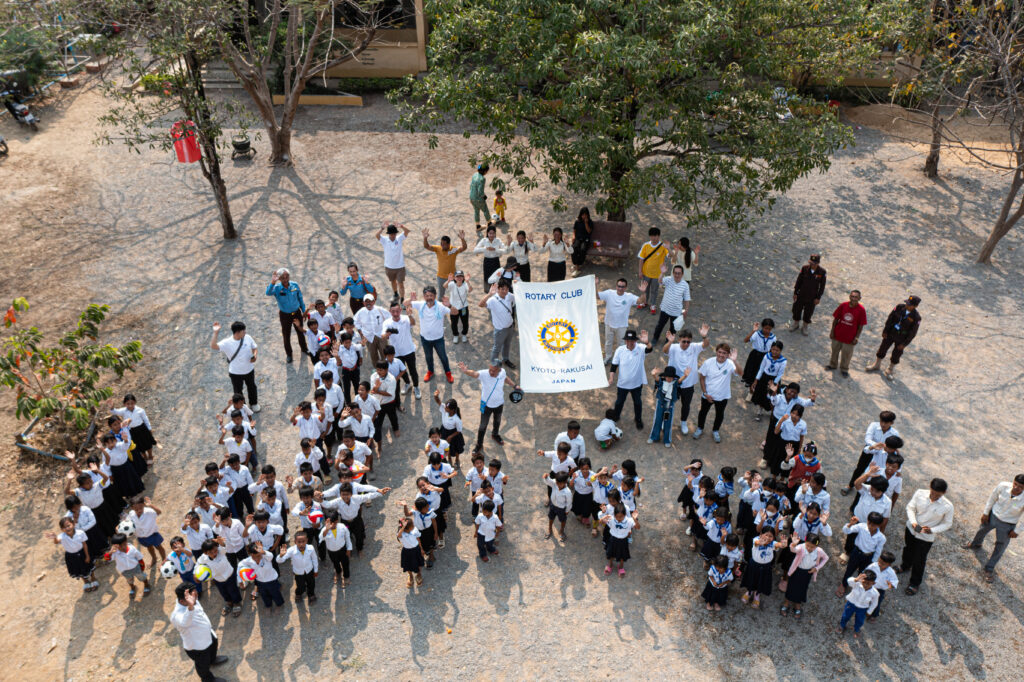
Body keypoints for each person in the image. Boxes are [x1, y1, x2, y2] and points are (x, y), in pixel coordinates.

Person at [962, 474, 1024, 582]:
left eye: (1020, 487)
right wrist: (985, 513)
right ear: (1013, 481)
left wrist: (1017, 531)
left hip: (1008, 524)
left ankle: (989, 568)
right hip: (993, 515)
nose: (1016, 487)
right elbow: (992, 498)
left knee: (1000, 546)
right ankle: (976, 543)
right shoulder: (1003, 486)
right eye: (1015, 484)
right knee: (981, 530)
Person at [899, 478, 953, 595]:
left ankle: (914, 583)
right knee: (908, 548)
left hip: (926, 537)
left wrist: (932, 530)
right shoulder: (919, 493)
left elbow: (948, 523)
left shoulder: (948, 506)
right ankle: (905, 565)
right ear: (930, 487)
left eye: (937, 495)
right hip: (911, 529)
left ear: (944, 493)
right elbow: (910, 507)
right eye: (932, 492)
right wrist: (913, 522)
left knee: (920, 559)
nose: (934, 496)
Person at [170, 584, 229, 682]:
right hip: (197, 646)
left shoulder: (192, 599)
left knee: (213, 647)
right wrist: (190, 607)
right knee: (202, 664)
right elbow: (185, 622)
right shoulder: (177, 615)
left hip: (207, 635)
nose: (196, 596)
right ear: (182, 601)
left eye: (195, 593)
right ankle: (207, 679)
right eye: (193, 595)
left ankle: (212, 660)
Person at [458, 361, 520, 453]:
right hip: (486, 405)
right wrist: (466, 371)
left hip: (499, 403)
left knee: (497, 421)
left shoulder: (502, 372)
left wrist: (514, 386)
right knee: (483, 426)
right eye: (490, 369)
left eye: (494, 371)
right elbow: (475, 374)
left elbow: (505, 378)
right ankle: (479, 445)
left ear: (499, 370)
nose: (491, 372)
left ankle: (495, 435)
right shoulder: (484, 374)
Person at [663, 326, 711, 436]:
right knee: (667, 404)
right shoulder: (673, 347)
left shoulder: (694, 347)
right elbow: (665, 351)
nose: (686, 344)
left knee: (686, 405)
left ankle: (683, 422)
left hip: (688, 384)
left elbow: (706, 344)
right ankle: (665, 421)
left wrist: (704, 336)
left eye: (688, 342)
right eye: (684, 341)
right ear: (679, 339)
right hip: (673, 383)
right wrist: (670, 342)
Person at [840, 412, 899, 496]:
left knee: (875, 472)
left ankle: (866, 489)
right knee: (860, 469)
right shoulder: (874, 425)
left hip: (881, 455)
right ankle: (850, 485)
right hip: (870, 451)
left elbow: (894, 446)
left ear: (891, 423)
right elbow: (867, 439)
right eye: (881, 421)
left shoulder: (895, 433)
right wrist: (874, 446)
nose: (883, 424)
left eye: (886, 422)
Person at [866, 295, 922, 379]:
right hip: (891, 333)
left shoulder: (916, 317)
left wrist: (904, 344)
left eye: (909, 305)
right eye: (907, 303)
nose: (907, 305)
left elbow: (912, 333)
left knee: (896, 354)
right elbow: (890, 318)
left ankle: (890, 370)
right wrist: (885, 331)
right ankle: (877, 365)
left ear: (915, 306)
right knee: (882, 348)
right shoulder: (899, 307)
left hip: (902, 338)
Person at [694, 343, 740, 443]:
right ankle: (700, 428)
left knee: (720, 414)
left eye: (724, 353)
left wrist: (735, 361)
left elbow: (741, 373)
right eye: (719, 352)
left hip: (723, 396)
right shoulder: (708, 362)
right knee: (703, 412)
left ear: (728, 355)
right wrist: (705, 393)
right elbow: (702, 378)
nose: (721, 355)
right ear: (716, 352)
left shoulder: (730, 363)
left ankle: (715, 430)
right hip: (708, 395)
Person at [609, 329, 654, 430]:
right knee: (619, 402)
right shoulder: (620, 350)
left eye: (632, 340)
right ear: (625, 341)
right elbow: (614, 365)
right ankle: (616, 417)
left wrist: (647, 342)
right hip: (622, 384)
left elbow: (649, 349)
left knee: (638, 403)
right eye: (628, 340)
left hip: (636, 384)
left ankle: (638, 419)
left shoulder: (641, 348)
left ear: (635, 341)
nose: (630, 343)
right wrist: (611, 377)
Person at [210, 321, 259, 412]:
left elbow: (254, 348)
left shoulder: (247, 338)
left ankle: (254, 403)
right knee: (238, 391)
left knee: (252, 387)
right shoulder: (227, 343)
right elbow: (213, 346)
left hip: (249, 369)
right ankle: (242, 406)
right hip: (236, 372)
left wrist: (255, 356)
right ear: (237, 332)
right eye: (243, 331)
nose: (245, 332)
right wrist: (215, 333)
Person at [409, 287, 455, 383]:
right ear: (424, 296)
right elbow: (405, 304)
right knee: (428, 357)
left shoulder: (441, 306)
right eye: (427, 296)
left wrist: (449, 305)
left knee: (443, 356)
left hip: (438, 339)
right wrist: (410, 299)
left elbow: (456, 312)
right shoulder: (421, 305)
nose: (429, 298)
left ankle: (448, 372)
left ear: (435, 296)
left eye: (431, 295)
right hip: (425, 339)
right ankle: (430, 371)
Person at [781, 532, 828, 618]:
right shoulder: (801, 547)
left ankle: (797, 604)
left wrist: (817, 568)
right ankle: (786, 602)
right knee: (791, 587)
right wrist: (793, 544)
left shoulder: (819, 551)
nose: (809, 548)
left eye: (812, 547)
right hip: (796, 571)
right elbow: (793, 550)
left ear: (817, 545)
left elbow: (826, 558)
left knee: (802, 588)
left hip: (807, 573)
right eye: (808, 545)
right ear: (805, 542)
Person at [264, 268, 307, 362]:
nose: (285, 279)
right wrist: (272, 282)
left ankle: (304, 349)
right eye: (283, 277)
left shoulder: (294, 285)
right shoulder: (276, 288)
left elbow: (300, 298)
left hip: (296, 313)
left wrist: (304, 311)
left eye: (287, 276)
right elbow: (267, 293)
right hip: (285, 315)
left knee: (300, 332)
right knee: (286, 335)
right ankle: (289, 354)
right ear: (279, 279)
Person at [46, 517, 96, 593]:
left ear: (73, 524)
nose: (67, 528)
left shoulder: (80, 533)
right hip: (71, 556)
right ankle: (85, 581)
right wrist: (55, 537)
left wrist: (87, 556)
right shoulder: (62, 536)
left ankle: (93, 578)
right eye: (64, 527)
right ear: (62, 529)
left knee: (88, 566)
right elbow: (56, 542)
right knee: (78, 569)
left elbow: (85, 544)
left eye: (68, 525)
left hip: (82, 553)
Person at [597, 277, 639, 363]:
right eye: (619, 286)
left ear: (625, 288)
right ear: (616, 286)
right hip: (609, 324)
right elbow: (597, 296)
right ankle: (608, 357)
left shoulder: (629, 297)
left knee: (621, 344)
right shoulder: (609, 293)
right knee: (608, 343)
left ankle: (620, 359)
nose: (620, 288)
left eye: (622, 287)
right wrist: (595, 284)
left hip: (622, 326)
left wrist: (643, 292)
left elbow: (641, 301)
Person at [383, 300, 420, 397]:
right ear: (390, 311)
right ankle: (407, 383)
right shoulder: (387, 322)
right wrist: (386, 335)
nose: (395, 314)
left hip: (409, 350)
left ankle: (416, 386)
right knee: (401, 371)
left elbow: (413, 323)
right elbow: (383, 335)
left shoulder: (405, 318)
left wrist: (410, 315)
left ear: (400, 310)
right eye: (393, 311)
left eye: (397, 311)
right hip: (397, 353)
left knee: (413, 371)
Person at [827, 290, 867, 376]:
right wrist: (832, 331)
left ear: (859, 298)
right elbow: (836, 319)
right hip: (838, 334)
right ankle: (833, 365)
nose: (854, 298)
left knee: (847, 354)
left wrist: (856, 338)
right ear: (849, 297)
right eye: (852, 296)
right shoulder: (843, 305)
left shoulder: (861, 310)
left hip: (850, 338)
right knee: (834, 351)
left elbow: (860, 326)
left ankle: (844, 369)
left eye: (856, 297)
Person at [480, 280, 517, 369]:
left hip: (510, 327)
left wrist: (517, 284)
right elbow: (481, 304)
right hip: (500, 330)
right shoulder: (493, 300)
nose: (505, 291)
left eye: (507, 289)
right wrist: (489, 294)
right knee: (497, 348)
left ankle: (505, 359)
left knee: (507, 345)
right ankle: (494, 364)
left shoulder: (509, 296)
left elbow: (520, 296)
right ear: (498, 289)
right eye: (502, 289)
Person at [651, 264, 692, 343]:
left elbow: (687, 299)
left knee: (673, 329)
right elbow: (659, 281)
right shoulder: (668, 279)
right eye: (675, 273)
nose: (677, 275)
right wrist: (662, 273)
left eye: (679, 273)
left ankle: (668, 342)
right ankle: (655, 338)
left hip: (676, 311)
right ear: (673, 273)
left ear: (682, 274)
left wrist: (686, 310)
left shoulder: (685, 285)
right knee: (660, 326)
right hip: (665, 309)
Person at [648, 366, 688, 446]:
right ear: (664, 376)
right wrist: (653, 375)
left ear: (673, 377)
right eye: (667, 377)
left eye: (671, 377)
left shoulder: (675, 383)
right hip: (660, 404)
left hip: (669, 406)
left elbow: (679, 381)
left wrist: (685, 376)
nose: (669, 379)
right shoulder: (662, 382)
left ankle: (667, 440)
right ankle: (654, 437)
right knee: (657, 420)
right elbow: (656, 379)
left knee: (668, 422)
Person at [278, 530, 319, 603]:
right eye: (299, 542)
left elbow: (315, 559)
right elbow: (280, 561)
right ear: (295, 542)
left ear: (307, 540)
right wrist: (281, 555)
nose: (301, 544)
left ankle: (311, 594)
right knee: (300, 586)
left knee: (311, 584)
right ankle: (298, 594)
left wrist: (315, 570)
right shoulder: (291, 550)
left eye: (303, 541)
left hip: (309, 570)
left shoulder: (311, 548)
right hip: (298, 573)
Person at [790, 254, 826, 335]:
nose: (812, 265)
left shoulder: (822, 272)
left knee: (808, 312)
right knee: (797, 309)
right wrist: (795, 292)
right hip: (801, 294)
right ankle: (796, 324)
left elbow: (822, 286)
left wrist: (818, 298)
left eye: (814, 263)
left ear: (818, 263)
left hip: (812, 296)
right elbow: (799, 281)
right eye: (811, 263)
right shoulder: (804, 268)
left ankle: (805, 326)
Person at [635, 228, 669, 313]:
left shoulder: (663, 246)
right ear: (649, 236)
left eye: (655, 236)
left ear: (658, 236)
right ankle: (644, 302)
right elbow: (641, 259)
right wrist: (640, 271)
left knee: (654, 290)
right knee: (645, 289)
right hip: (646, 273)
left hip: (657, 274)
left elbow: (670, 256)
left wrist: (670, 249)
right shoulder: (645, 245)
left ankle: (653, 304)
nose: (653, 238)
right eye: (652, 236)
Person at [376, 223, 411, 302]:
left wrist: (402, 226)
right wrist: (381, 228)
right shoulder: (384, 240)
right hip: (389, 266)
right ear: (389, 234)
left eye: (394, 234)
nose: (393, 235)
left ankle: (402, 300)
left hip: (400, 266)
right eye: (391, 234)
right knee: (393, 281)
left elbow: (407, 231)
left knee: (400, 284)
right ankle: (396, 294)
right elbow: (377, 235)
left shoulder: (399, 238)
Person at [836, 571, 879, 637]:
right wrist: (856, 579)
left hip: (862, 608)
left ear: (873, 583)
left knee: (860, 620)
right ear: (862, 580)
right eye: (864, 582)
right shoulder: (857, 584)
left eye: (868, 583)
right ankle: (842, 625)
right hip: (851, 604)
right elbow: (849, 581)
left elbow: (874, 603)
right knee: (846, 615)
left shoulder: (875, 593)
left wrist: (869, 611)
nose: (865, 585)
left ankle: (857, 629)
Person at [110, 532, 151, 600]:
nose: (122, 547)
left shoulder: (132, 549)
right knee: (129, 580)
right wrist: (110, 552)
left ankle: (147, 585)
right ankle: (132, 587)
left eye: (124, 544)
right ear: (115, 546)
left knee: (142, 577)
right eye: (119, 546)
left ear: (126, 542)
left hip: (136, 568)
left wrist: (142, 567)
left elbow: (139, 558)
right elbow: (107, 559)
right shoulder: (115, 553)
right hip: (124, 571)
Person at [600, 503, 635, 578]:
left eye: (621, 517)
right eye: (617, 516)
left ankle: (621, 566)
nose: (619, 518)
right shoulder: (611, 519)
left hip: (623, 541)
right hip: (613, 539)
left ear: (625, 514)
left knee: (622, 555)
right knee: (611, 554)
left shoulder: (629, 521)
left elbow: (638, 527)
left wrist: (635, 519)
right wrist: (604, 517)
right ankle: (610, 564)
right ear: (614, 515)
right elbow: (600, 521)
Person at [354, 292, 388, 366]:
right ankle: (377, 369)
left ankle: (386, 368)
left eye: (370, 301)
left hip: (381, 335)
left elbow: (389, 318)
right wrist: (360, 332)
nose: (368, 303)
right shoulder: (360, 312)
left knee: (384, 353)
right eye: (366, 301)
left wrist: (387, 331)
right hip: (369, 337)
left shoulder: (380, 309)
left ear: (374, 302)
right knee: (373, 354)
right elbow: (355, 322)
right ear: (363, 303)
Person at [741, 319, 776, 389]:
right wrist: (754, 330)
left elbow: (773, 348)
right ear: (762, 327)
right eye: (765, 328)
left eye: (769, 329)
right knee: (752, 370)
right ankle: (750, 384)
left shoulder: (773, 338)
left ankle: (756, 386)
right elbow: (745, 340)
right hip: (755, 355)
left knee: (761, 371)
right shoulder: (757, 334)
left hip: (766, 356)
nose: (767, 330)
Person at [445, 271, 472, 345]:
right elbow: (444, 286)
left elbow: (470, 290)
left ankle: (464, 334)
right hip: (453, 308)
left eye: (461, 276)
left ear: (463, 277)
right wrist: (448, 280)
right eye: (457, 276)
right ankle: (455, 335)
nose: (459, 278)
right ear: (455, 278)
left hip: (463, 307)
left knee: (465, 322)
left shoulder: (465, 284)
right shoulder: (451, 284)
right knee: (454, 323)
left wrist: (468, 282)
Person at [398, 518, 425, 587]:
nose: (413, 526)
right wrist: (403, 526)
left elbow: (418, 539)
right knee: (408, 565)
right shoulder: (402, 534)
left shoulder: (414, 530)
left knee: (418, 563)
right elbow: (398, 535)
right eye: (412, 525)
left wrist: (421, 549)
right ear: (406, 528)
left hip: (416, 550)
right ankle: (410, 576)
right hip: (407, 551)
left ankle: (419, 574)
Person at [570, 207, 594, 275]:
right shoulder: (577, 221)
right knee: (574, 248)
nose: (584, 216)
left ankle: (579, 264)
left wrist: (586, 223)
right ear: (580, 215)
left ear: (588, 215)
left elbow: (589, 231)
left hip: (585, 239)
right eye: (583, 215)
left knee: (582, 249)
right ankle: (576, 264)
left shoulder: (590, 222)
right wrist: (573, 237)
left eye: (585, 215)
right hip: (578, 238)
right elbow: (574, 230)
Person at [469, 163, 491, 232]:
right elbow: (480, 191)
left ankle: (478, 226)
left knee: (476, 211)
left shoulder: (474, 175)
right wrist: (484, 196)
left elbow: (471, 186)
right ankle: (490, 223)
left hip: (472, 197)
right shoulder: (482, 179)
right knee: (485, 210)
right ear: (484, 171)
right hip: (478, 199)